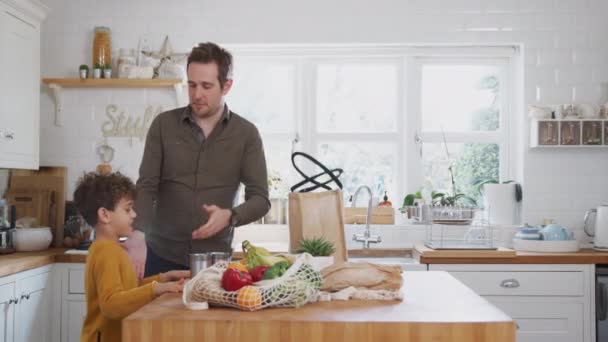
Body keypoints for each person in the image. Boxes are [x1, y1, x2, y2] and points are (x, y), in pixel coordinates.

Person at [129, 41, 270, 277]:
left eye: (206, 86)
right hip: (160, 256)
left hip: (214, 262)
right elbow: (146, 186)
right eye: (192, 85)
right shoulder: (163, 126)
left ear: (226, 86)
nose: (197, 94)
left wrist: (230, 216)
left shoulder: (246, 134)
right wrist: (137, 236)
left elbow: (261, 199)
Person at [73, 172, 189, 342]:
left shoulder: (111, 248)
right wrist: (156, 289)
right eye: (127, 209)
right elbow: (112, 304)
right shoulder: (107, 252)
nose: (134, 214)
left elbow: (127, 290)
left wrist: (163, 278)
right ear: (105, 215)